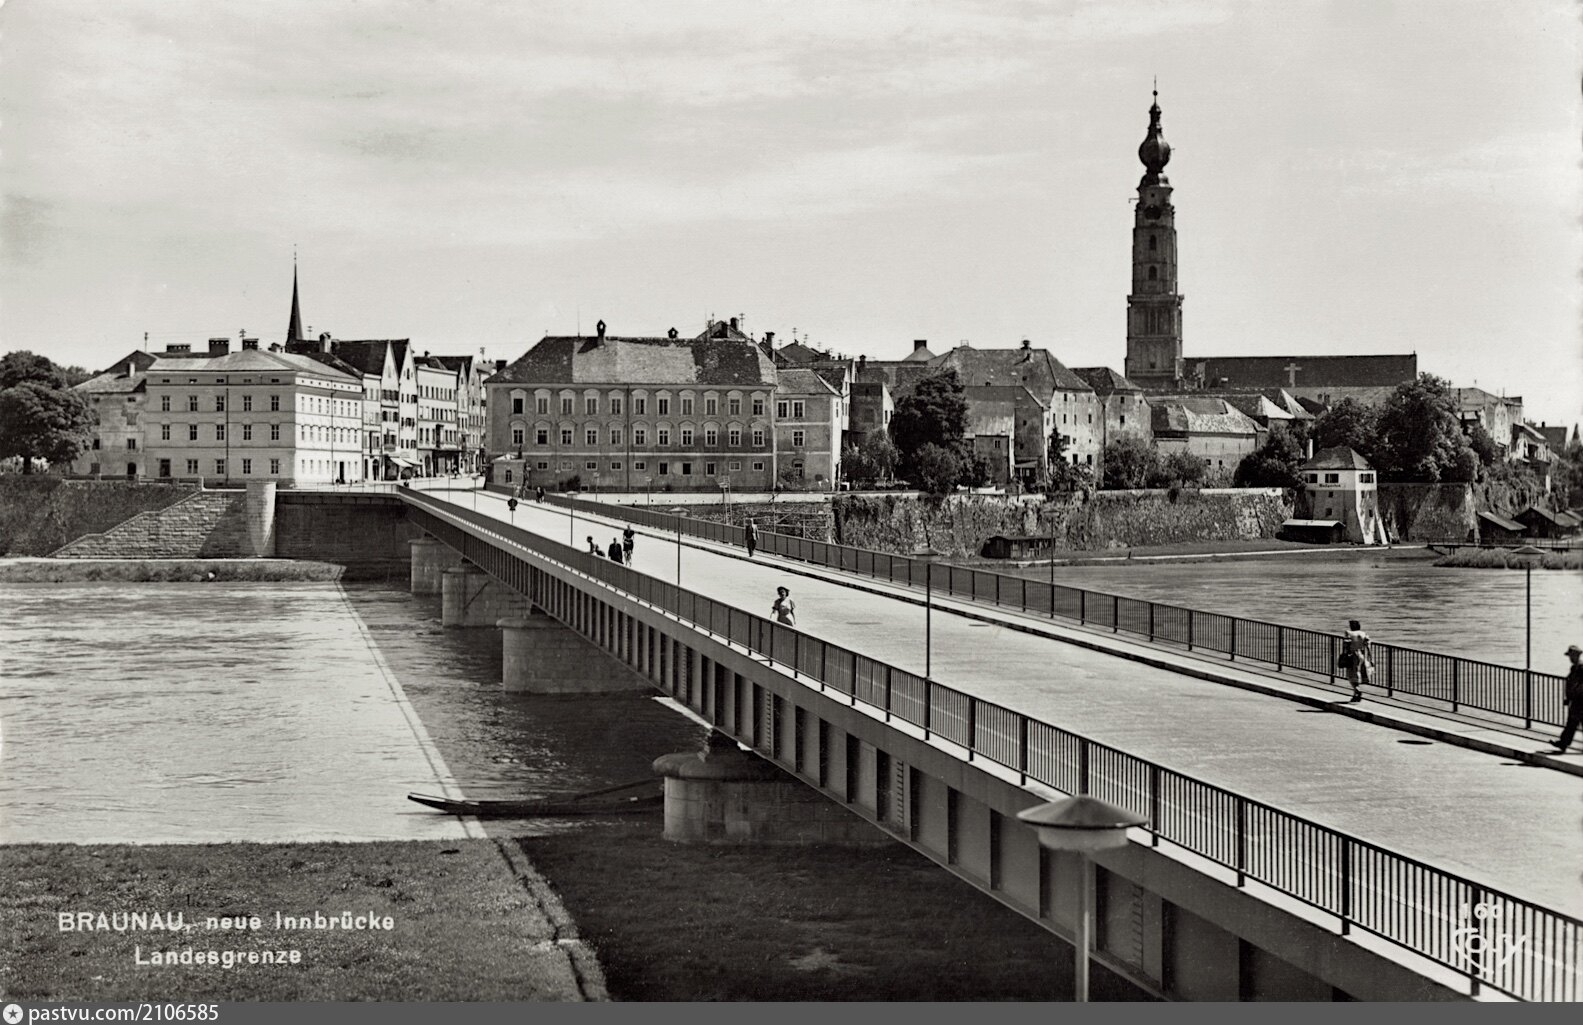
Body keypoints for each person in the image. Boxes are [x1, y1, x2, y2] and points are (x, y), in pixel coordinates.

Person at [1554, 644, 1583, 754]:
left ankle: (1563, 743)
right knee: (1572, 722)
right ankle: (1563, 743)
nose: (1570, 658)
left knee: (1572, 722)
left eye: (1571, 656)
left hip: (1580, 700)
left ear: (1576, 656)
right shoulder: (1574, 668)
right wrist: (1569, 697)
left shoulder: (1581, 668)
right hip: (1576, 700)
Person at [1342, 619, 1373, 703]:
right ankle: (1355, 694)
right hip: (1362, 655)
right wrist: (1371, 659)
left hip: (1352, 654)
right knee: (1358, 673)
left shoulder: (1348, 633)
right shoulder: (1364, 634)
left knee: (1351, 674)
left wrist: (1344, 655)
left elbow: (1346, 645)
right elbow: (1368, 647)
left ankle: (1357, 690)